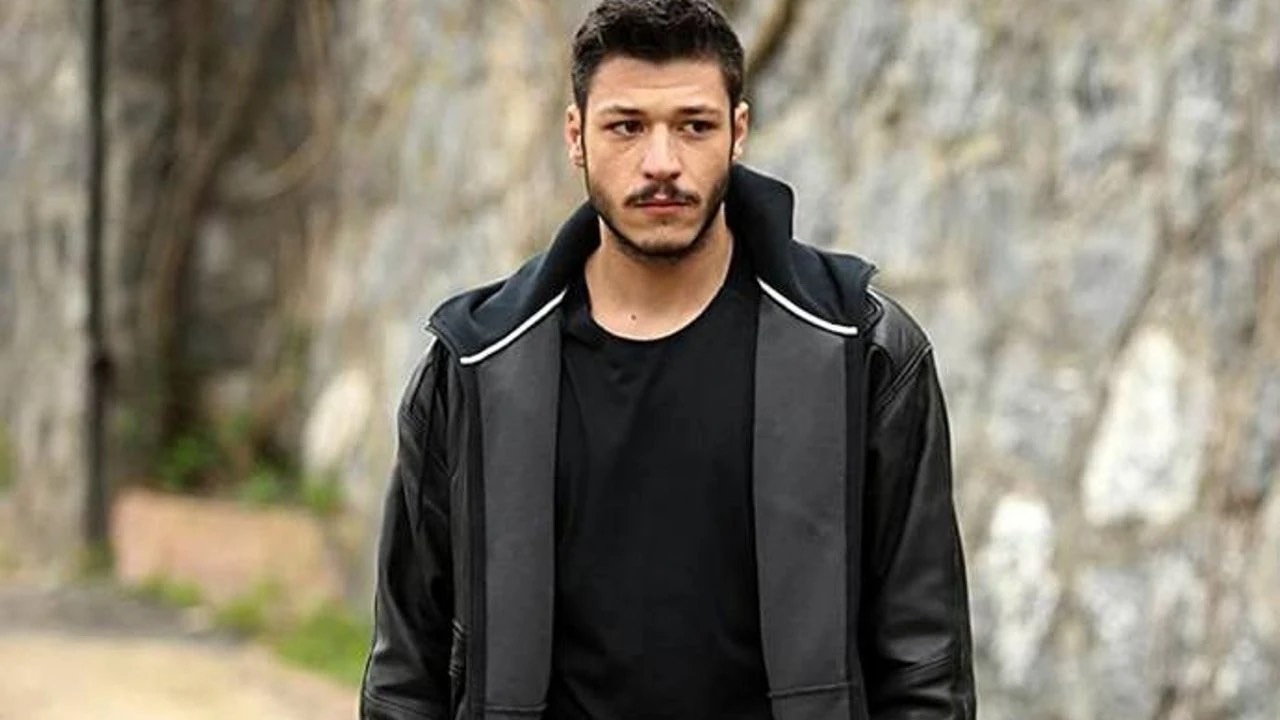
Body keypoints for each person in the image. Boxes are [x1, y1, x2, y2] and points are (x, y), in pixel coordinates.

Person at [360, 1, 975, 719]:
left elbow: (923, 667)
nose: (662, 163)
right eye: (626, 126)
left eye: (694, 126)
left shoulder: (862, 353)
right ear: (576, 136)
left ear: (738, 132)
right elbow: (407, 674)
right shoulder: (475, 367)